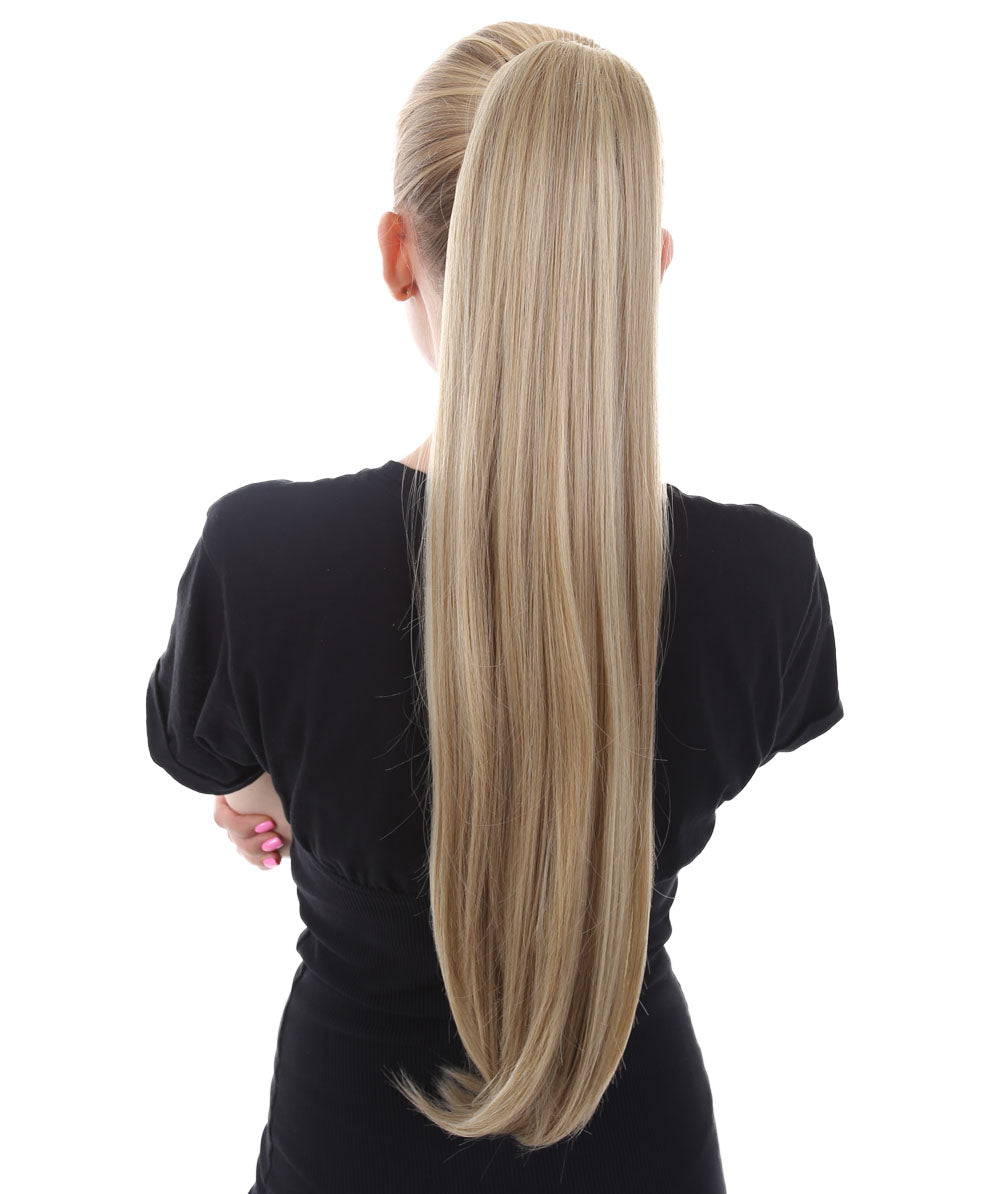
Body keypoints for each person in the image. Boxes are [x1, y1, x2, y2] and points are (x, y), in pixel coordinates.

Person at [147, 22, 843, 1193]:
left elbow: (253, 789)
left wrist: (259, 797)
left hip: (350, 1145)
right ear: (647, 265)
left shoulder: (261, 561)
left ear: (397, 253)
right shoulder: (762, 581)